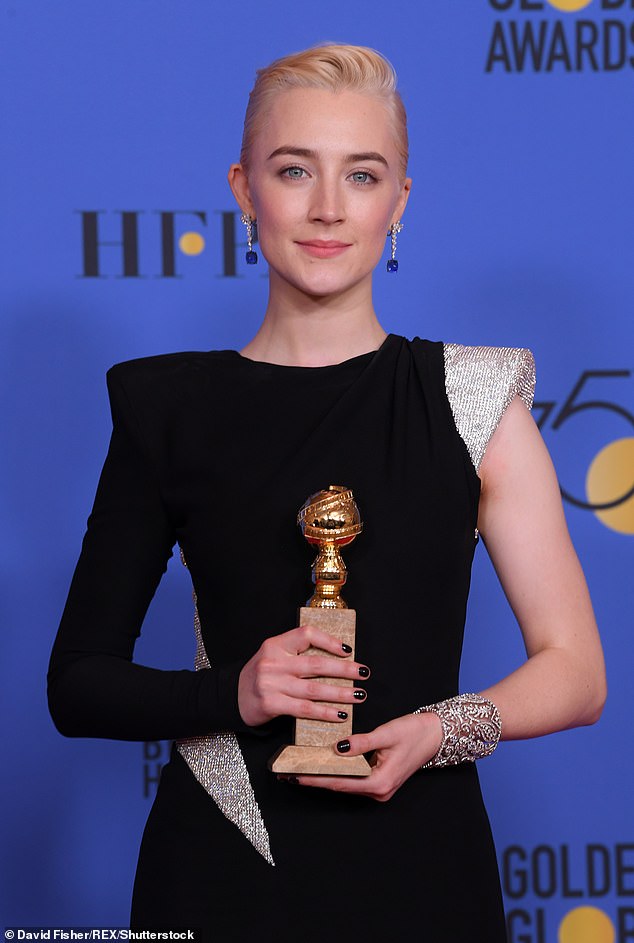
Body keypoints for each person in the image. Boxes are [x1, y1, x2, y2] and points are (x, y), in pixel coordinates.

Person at [48, 44, 606, 941]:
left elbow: (577, 674)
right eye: (294, 168)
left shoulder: (471, 399)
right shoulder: (168, 407)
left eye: (363, 174)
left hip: (425, 866)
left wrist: (440, 727)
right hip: (223, 865)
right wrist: (238, 691)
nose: (327, 208)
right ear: (243, 188)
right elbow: (77, 686)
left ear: (400, 203)